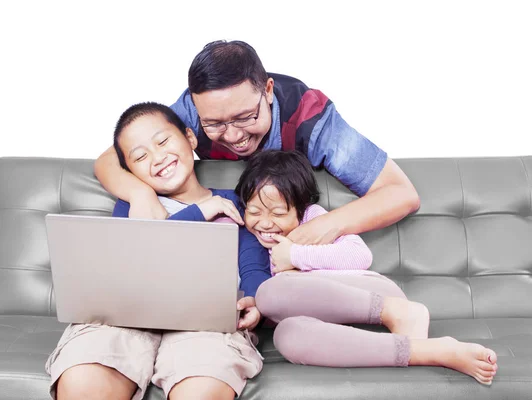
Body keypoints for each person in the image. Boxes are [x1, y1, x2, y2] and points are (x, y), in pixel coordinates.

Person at [94, 40, 420, 246]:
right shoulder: (192, 112)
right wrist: (139, 192)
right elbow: (111, 158)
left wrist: (328, 225)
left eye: (246, 117)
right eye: (215, 125)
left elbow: (400, 193)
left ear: (267, 91)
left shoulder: (311, 117)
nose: (234, 136)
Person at [46, 102, 271, 400]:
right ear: (129, 170)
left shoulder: (233, 203)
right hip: (125, 318)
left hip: (209, 324)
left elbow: (253, 265)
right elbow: (140, 257)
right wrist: (198, 213)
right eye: (140, 156)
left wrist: (256, 298)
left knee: (203, 381)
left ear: (190, 138)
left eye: (163, 141)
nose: (157, 157)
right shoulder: (132, 205)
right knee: (85, 377)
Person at [235, 150, 499, 385]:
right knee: (287, 336)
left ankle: (395, 312)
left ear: (301, 208)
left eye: (278, 213)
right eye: (254, 212)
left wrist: (295, 255)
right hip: (341, 328)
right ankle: (429, 351)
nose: (265, 223)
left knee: (271, 292)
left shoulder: (312, 219)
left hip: (372, 296)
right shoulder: (251, 243)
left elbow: (358, 256)